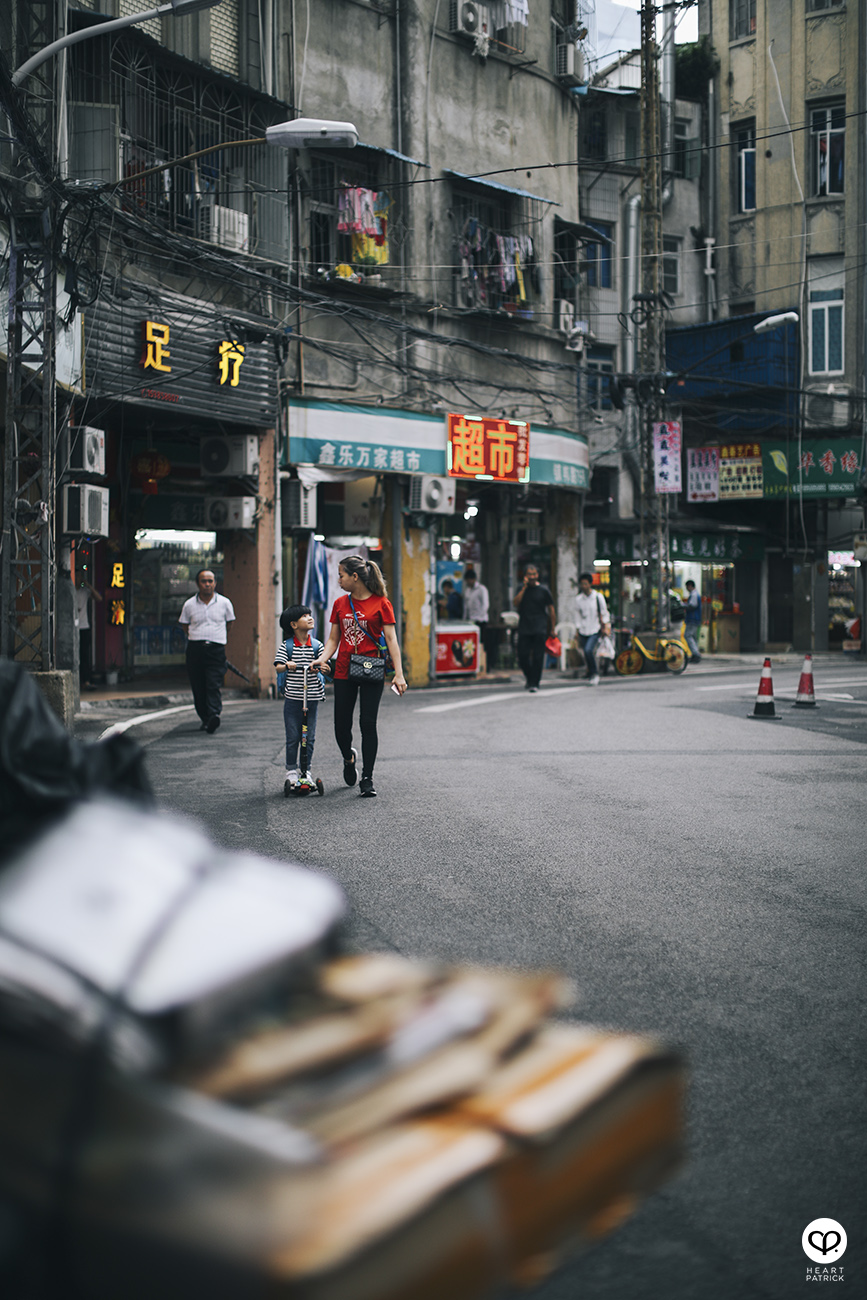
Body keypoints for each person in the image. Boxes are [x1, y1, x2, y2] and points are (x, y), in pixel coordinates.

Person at [312, 555, 407, 798]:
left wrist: (399, 673)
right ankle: (348, 757)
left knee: (368, 724)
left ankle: (367, 778)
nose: (339, 580)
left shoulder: (381, 603)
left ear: (355, 577)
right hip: (344, 669)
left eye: (341, 575)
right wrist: (322, 659)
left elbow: (392, 639)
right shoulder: (340, 604)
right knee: (341, 726)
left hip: (371, 669)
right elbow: (334, 639)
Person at [274, 604, 325, 793]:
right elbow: (278, 666)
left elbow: (324, 664)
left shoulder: (317, 645)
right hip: (293, 698)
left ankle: (306, 770)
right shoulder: (287, 646)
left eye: (310, 615)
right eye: (305, 616)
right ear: (294, 624)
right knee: (293, 736)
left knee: (308, 737)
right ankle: (291, 771)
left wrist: (321, 667)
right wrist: (287, 665)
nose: (310, 618)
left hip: (311, 697)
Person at [178, 569, 235, 733]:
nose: (207, 584)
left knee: (213, 683)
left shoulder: (225, 603)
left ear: (215, 583)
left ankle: (214, 714)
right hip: (195, 649)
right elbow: (184, 625)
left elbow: (230, 623)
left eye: (210, 581)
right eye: (204, 581)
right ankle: (205, 718)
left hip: (216, 649)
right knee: (198, 685)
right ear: (198, 584)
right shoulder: (189, 604)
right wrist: (197, 636)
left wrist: (217, 637)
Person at [514, 565, 555, 693]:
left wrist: (552, 628)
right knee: (522, 656)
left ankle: (534, 683)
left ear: (537, 575)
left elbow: (551, 610)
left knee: (538, 657)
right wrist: (524, 588)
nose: (532, 577)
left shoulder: (544, 590)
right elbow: (515, 603)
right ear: (525, 576)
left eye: (534, 574)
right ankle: (529, 678)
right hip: (524, 627)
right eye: (529, 574)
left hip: (539, 628)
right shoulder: (521, 589)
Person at [575, 572, 610, 686]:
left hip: (595, 629)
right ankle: (590, 672)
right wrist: (577, 629)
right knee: (586, 653)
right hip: (583, 630)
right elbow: (577, 615)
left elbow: (604, 612)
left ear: (590, 584)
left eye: (585, 584)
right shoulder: (578, 599)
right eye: (582, 584)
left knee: (588, 650)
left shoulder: (598, 597)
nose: (583, 586)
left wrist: (605, 626)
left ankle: (594, 673)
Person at [462, 567, 497, 671]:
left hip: (480, 621)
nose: (468, 582)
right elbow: (466, 607)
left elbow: (485, 605)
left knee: (483, 644)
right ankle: (472, 664)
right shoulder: (467, 591)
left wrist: (480, 617)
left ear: (473, 579)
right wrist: (465, 620)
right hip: (470, 622)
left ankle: (486, 665)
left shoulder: (482, 589)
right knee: (471, 645)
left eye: (469, 580)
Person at [683, 579, 702, 663]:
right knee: (693, 637)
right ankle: (695, 654)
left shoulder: (694, 595)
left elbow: (692, 605)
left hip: (692, 619)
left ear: (690, 586)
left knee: (688, 635)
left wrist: (683, 605)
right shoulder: (695, 594)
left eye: (687, 587)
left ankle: (696, 654)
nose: (687, 589)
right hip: (695, 619)